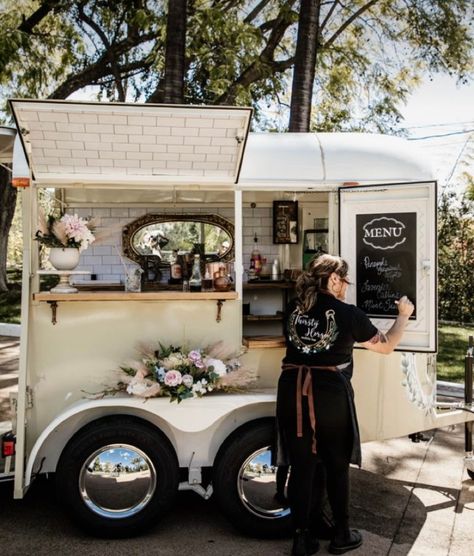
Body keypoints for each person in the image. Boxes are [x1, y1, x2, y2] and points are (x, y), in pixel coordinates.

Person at [276, 254, 414, 556]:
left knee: (302, 467)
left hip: (290, 390)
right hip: (328, 393)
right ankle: (341, 535)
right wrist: (403, 315)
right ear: (334, 279)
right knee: (336, 464)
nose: (347, 287)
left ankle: (302, 538)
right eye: (345, 280)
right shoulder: (348, 313)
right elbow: (387, 346)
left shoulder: (293, 309)